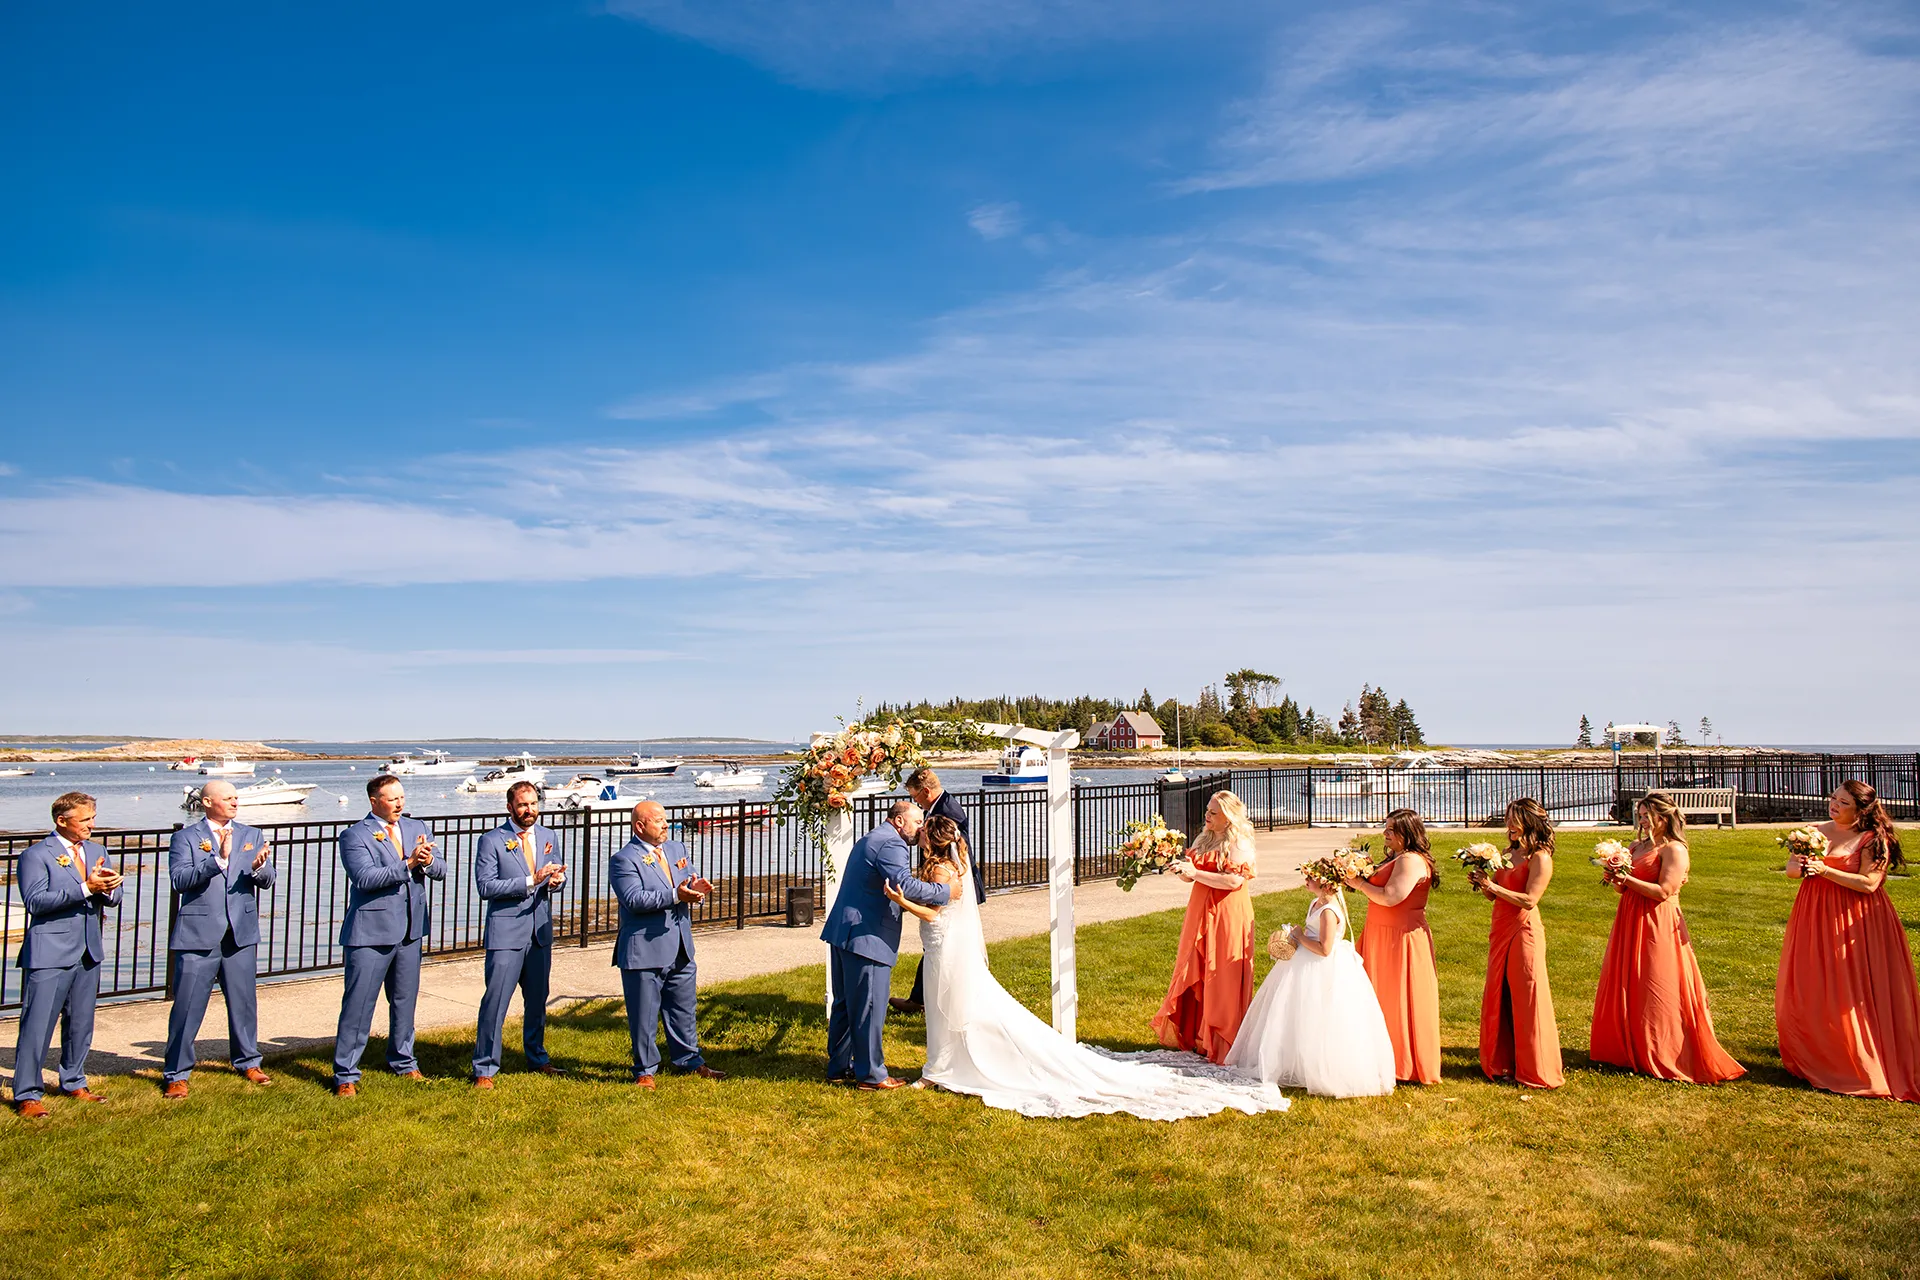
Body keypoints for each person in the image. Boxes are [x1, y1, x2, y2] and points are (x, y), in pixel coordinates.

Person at [887, 816, 1287, 1118]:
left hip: (945, 945)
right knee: (951, 1005)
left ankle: (939, 1068)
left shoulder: (941, 870)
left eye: (920, 834)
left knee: (951, 1004)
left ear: (931, 843)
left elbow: (936, 914)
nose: (916, 836)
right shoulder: (954, 865)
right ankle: (944, 1063)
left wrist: (902, 900)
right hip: (947, 948)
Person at [1775, 780, 1920, 1102]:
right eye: (1833, 798)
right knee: (1813, 980)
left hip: (1856, 919)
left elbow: (1870, 884)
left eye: (1843, 802)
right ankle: (1816, 1051)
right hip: (1813, 913)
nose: (1834, 805)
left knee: (1850, 987)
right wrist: (1797, 866)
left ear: (1860, 810)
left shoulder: (1872, 839)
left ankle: (1856, 1056)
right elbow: (1792, 874)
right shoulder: (1812, 831)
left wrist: (1824, 870)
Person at [1589, 792, 1745, 1084]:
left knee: (1657, 982)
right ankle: (1629, 1046)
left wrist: (1628, 880)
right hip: (1630, 917)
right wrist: (1615, 879)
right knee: (1630, 981)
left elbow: (1664, 891)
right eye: (1641, 814)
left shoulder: (1674, 849)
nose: (1644, 820)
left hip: (1659, 921)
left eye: (1649, 814)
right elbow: (1622, 890)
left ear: (1665, 816)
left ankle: (1665, 1049)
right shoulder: (1636, 845)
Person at [1224, 865, 1395, 1097]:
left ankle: (1323, 1068)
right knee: (1297, 1014)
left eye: (1310, 878)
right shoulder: (1315, 904)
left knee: (1320, 1016)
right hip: (1305, 962)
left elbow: (1325, 949)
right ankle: (1296, 1062)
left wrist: (1300, 937)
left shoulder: (1329, 911)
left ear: (1325, 883)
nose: (1305, 881)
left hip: (1323, 967)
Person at [820, 800, 950, 1090]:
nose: (920, 828)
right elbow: (904, 885)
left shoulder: (873, 837)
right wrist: (944, 891)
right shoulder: (892, 844)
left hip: (846, 930)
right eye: (917, 822)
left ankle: (839, 1067)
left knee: (845, 1004)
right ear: (900, 821)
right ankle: (872, 1075)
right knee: (869, 1006)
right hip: (866, 936)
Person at [161, 779, 278, 1098]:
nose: (235, 802)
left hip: (240, 932)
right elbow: (180, 880)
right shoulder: (185, 838)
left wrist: (259, 868)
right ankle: (176, 1073)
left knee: (244, 1002)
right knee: (187, 1006)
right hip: (198, 934)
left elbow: (268, 880)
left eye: (237, 797)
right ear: (208, 802)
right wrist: (218, 861)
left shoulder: (252, 835)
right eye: (227, 798)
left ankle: (248, 1061)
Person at [330, 775, 445, 1097]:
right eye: (392, 798)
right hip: (371, 933)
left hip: (410, 930)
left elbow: (441, 871)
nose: (399, 803)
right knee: (359, 1005)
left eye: (402, 797)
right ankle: (346, 1073)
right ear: (374, 801)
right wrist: (408, 863)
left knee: (404, 1002)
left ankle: (404, 1062)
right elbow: (365, 878)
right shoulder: (354, 835)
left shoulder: (415, 827)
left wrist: (429, 861)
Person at [9, 792, 123, 1118]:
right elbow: (36, 902)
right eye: (85, 819)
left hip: (88, 949)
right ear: (62, 820)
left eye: (92, 817)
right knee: (37, 1025)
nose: (92, 824)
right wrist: (87, 888)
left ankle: (74, 1081)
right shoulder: (35, 855)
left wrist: (110, 887)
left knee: (80, 1024)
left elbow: (113, 898)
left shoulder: (98, 851)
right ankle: (28, 1094)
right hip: (49, 952)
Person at [610, 800, 725, 1088]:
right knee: (644, 1014)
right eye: (658, 820)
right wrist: (677, 895)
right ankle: (645, 1070)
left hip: (681, 945)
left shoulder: (676, 849)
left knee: (684, 1008)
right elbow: (634, 900)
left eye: (665, 819)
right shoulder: (624, 859)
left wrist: (696, 890)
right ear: (640, 826)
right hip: (645, 949)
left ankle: (689, 1061)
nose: (665, 824)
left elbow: (687, 879)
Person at [471, 781, 567, 1088]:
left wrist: (555, 882)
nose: (530, 810)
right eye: (523, 805)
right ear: (510, 807)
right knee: (496, 1002)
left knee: (537, 1001)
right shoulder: (491, 840)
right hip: (506, 933)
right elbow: (486, 887)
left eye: (534, 803)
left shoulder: (549, 836)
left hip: (539, 933)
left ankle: (537, 1057)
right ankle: (484, 1068)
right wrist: (529, 880)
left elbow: (555, 876)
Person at [1151, 790, 1258, 1064]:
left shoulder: (1239, 842)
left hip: (1228, 913)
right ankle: (1199, 1035)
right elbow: (1193, 876)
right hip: (1200, 909)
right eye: (1208, 811)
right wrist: (1182, 871)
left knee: (1221, 974)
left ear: (1229, 816)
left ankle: (1223, 1041)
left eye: (1213, 812)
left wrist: (1196, 873)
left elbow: (1234, 882)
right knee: (1194, 965)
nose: (1206, 816)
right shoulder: (1205, 837)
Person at [1469, 797, 1564, 1089]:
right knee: (1501, 993)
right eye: (1508, 818)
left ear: (1530, 822)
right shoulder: (1507, 853)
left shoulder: (1540, 858)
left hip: (1524, 930)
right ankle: (1503, 1063)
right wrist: (1484, 883)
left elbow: (1530, 899)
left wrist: (1493, 887)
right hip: (1500, 928)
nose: (1509, 824)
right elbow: (1495, 895)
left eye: (1514, 819)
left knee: (1527, 996)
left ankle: (1535, 1067)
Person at [1342, 808, 1441, 1085]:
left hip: (1400, 937)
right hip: (1379, 932)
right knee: (1376, 995)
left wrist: (1360, 884)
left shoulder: (1410, 860)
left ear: (1406, 833)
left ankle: (1403, 1061)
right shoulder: (1396, 857)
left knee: (1396, 995)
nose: (1385, 833)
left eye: (1390, 830)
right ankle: (1376, 1054)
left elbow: (1391, 897)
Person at [892, 766, 977, 1017]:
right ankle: (924, 998)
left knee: (947, 948)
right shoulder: (940, 807)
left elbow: (959, 846)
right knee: (940, 950)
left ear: (926, 791)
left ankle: (928, 1001)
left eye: (915, 797)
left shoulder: (947, 812)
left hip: (947, 884)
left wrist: (942, 879)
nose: (914, 803)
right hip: (943, 880)